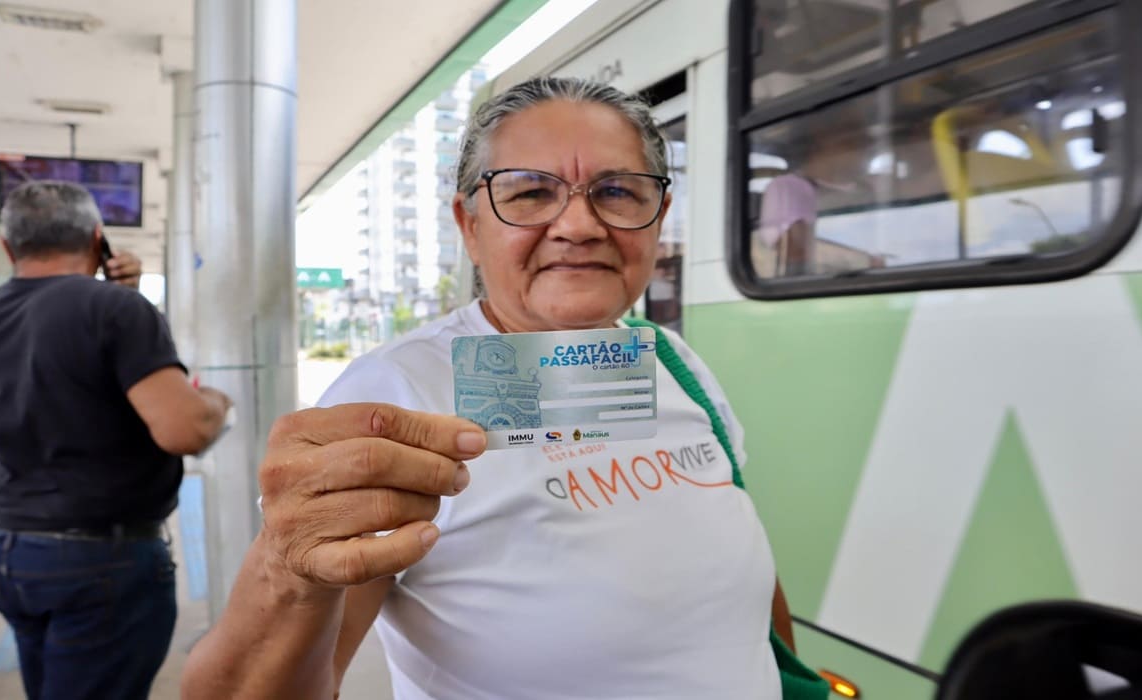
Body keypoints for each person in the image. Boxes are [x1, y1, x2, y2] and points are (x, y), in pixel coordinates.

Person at [183, 77, 795, 699]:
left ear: (657, 219)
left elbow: (750, 590)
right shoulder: (397, 393)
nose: (579, 225)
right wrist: (287, 570)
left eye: (616, 191)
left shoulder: (674, 361)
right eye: (530, 192)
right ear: (470, 226)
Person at [0, 181, 233, 700]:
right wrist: (216, 402)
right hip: (101, 561)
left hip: (9, 547)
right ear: (97, 239)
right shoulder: (115, 309)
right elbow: (186, 429)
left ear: (8, 247)